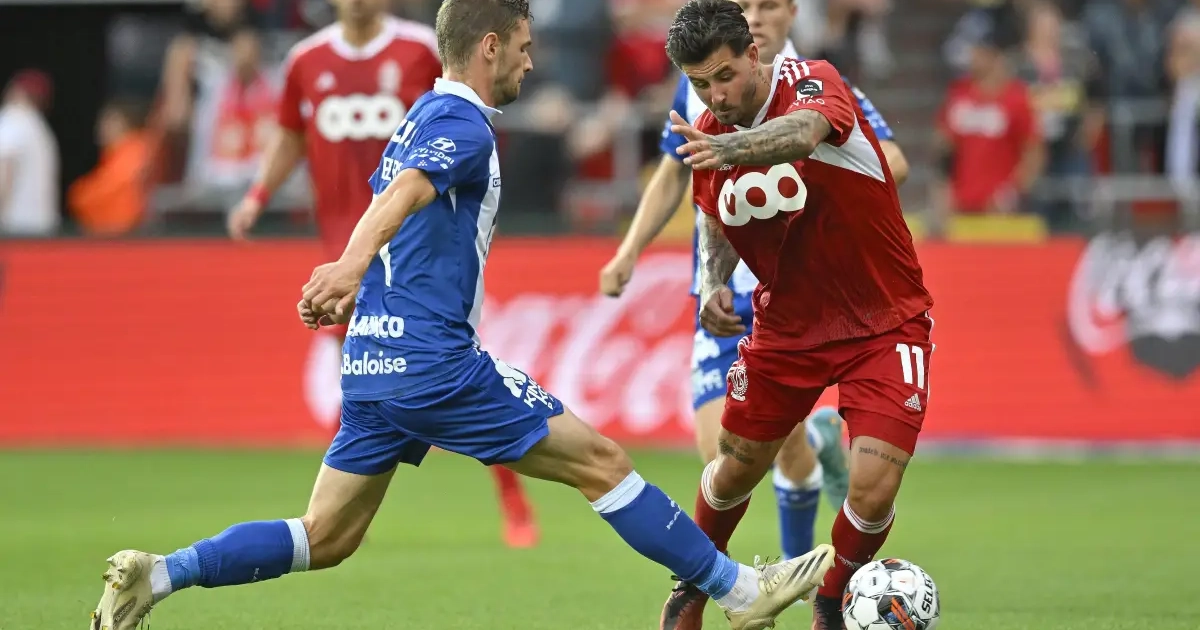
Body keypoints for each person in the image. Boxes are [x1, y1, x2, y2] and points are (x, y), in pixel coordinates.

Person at [87, 3, 835, 630]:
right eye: (525, 47)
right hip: (433, 361)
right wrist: (348, 265)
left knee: (326, 535)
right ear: (490, 46)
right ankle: (740, 591)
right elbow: (406, 192)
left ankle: (161, 574)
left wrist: (354, 271)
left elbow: (397, 195)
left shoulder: (417, 115)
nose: (532, 63)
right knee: (602, 463)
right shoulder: (464, 124)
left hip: (371, 363)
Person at [599, 0, 908, 591]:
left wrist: (818, 203)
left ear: (788, 16)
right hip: (726, 297)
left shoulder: (813, 80)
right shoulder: (700, 86)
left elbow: (886, 155)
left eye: (768, 5)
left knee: (785, 451)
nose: (758, 15)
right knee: (719, 458)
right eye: (746, 5)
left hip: (803, 296)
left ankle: (794, 575)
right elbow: (679, 171)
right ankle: (758, 560)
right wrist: (630, 250)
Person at [224, 0, 539, 547]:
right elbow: (291, 133)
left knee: (458, 372)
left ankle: (511, 501)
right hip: (345, 251)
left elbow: (467, 112)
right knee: (363, 384)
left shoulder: (418, 49)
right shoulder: (305, 60)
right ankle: (330, 521)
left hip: (417, 246)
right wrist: (258, 194)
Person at [0, 69, 59, 237]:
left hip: (15, 229)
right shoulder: (42, 129)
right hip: (43, 228)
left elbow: (4, 172)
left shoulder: (13, 118)